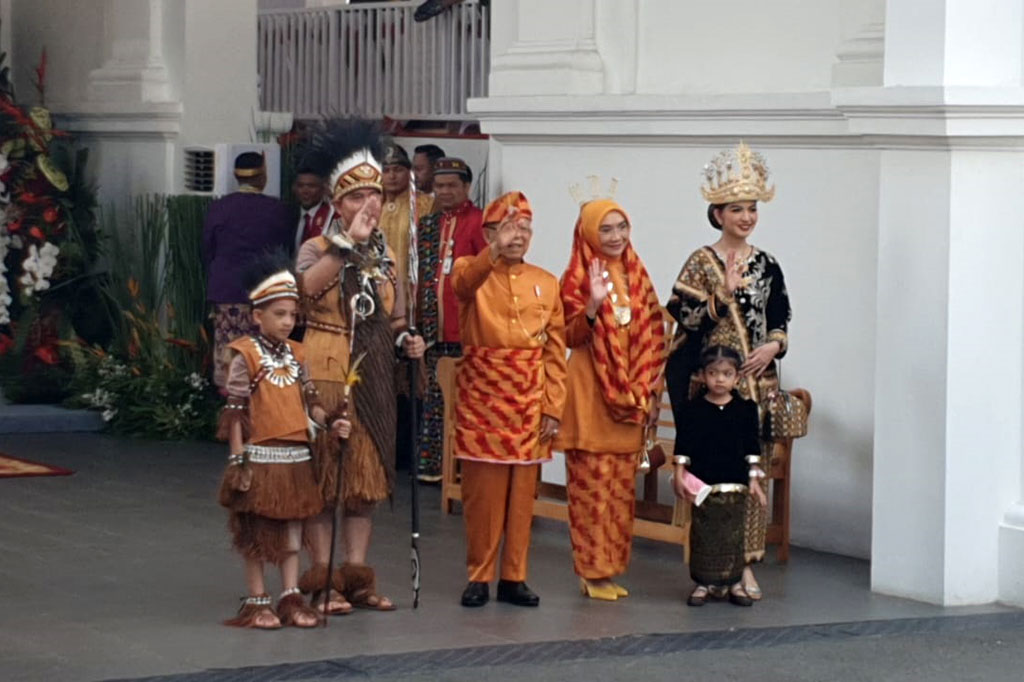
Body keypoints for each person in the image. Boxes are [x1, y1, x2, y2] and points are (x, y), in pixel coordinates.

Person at [294, 119, 426, 614]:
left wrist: (408, 339)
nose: (368, 204)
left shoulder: (388, 255)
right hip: (327, 365)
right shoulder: (318, 247)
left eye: (374, 195)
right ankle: (323, 580)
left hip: (371, 373)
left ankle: (356, 576)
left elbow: (394, 317)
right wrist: (346, 244)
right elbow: (304, 293)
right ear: (337, 204)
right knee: (327, 483)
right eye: (356, 197)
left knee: (364, 486)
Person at [665, 141, 791, 602]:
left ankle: (746, 565)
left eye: (752, 209)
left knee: (751, 471)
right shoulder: (700, 262)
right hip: (713, 388)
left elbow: (780, 313)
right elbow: (683, 316)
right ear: (717, 213)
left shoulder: (768, 263)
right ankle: (711, 566)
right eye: (737, 209)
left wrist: (774, 345)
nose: (746, 217)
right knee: (715, 476)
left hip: (757, 385)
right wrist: (722, 293)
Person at [216, 252, 352, 629]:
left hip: (295, 458)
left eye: (293, 315)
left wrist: (332, 422)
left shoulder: (298, 354)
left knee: (294, 531)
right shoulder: (245, 354)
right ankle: (257, 601)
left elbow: (311, 404)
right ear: (257, 315)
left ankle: (290, 596)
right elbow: (237, 412)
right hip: (260, 457)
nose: (288, 322)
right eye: (280, 314)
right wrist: (238, 460)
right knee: (257, 534)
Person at [452, 191, 567, 608]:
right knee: (483, 496)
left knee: (522, 498)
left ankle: (514, 576)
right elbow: (463, 285)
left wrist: (554, 406)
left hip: (531, 398)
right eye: (507, 228)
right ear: (487, 233)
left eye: (524, 228)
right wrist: (492, 252)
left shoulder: (546, 280)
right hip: (483, 396)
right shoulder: (470, 270)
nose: (517, 236)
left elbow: (556, 351)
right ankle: (478, 575)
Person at [554, 197, 666, 601]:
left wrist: (645, 383)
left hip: (630, 401)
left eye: (622, 227)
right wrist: (593, 304)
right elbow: (567, 335)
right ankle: (591, 571)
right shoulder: (575, 276)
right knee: (591, 493)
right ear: (587, 232)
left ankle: (611, 569)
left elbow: (654, 327)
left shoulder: (637, 272)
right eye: (606, 229)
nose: (616, 236)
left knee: (619, 494)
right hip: (590, 400)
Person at [671, 345, 766, 607]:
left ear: (737, 377)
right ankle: (703, 583)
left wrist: (754, 481)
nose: (719, 379)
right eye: (713, 373)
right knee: (704, 533)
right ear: (702, 376)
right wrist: (679, 473)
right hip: (704, 485)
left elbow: (751, 448)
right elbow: (684, 446)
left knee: (733, 534)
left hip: (735, 483)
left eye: (726, 373)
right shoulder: (693, 410)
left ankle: (735, 582)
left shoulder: (745, 410)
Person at [414, 157, 487, 481]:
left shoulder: (479, 222)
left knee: (465, 403)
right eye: (439, 186)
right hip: (433, 328)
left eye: (451, 186)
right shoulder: (429, 225)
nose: (444, 192)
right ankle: (434, 468)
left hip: (466, 330)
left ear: (466, 187)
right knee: (434, 396)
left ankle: (461, 469)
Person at [202, 152, 292, 391]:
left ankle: (230, 412)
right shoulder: (276, 209)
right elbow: (285, 253)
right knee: (260, 357)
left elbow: (209, 249)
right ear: (263, 175)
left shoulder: (219, 207)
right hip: (263, 296)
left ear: (235, 176)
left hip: (226, 293)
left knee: (228, 358)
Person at [379, 142, 434, 296]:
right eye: (386, 170)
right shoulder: (371, 206)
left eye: (398, 170)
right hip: (376, 292)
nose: (392, 176)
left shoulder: (426, 205)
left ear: (409, 172)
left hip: (412, 292)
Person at [292, 164, 332, 256]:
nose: (305, 191)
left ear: (323, 189)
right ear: (294, 188)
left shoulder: (332, 217)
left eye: (311, 186)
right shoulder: (288, 215)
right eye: (300, 186)